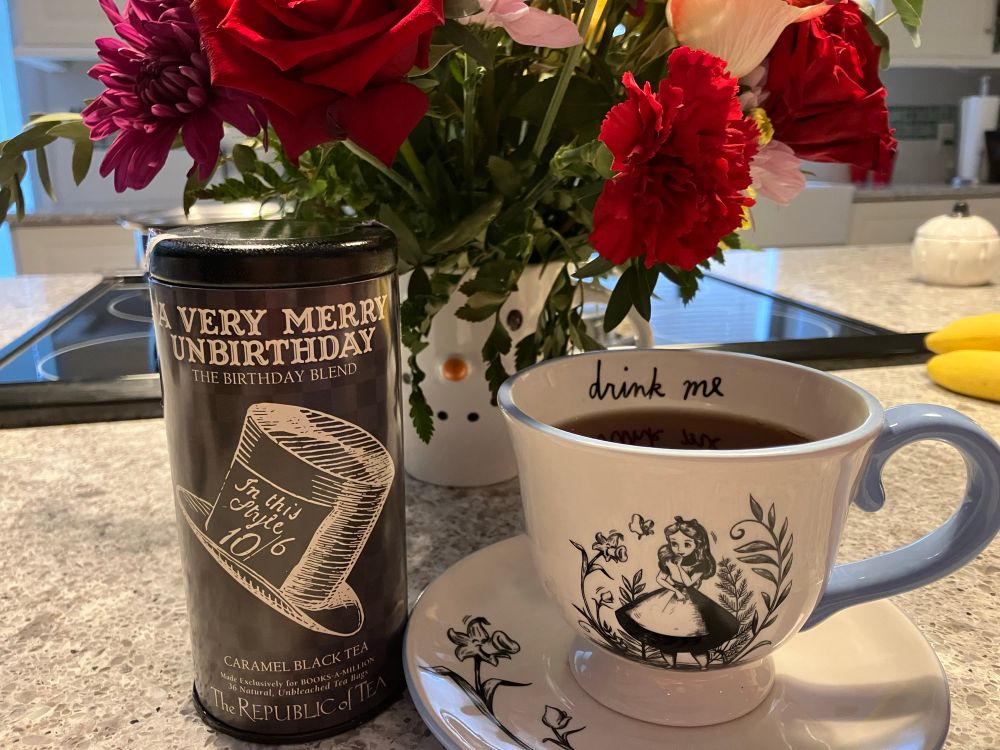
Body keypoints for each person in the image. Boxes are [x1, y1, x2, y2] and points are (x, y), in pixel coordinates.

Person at [616, 516, 738, 669]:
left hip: (691, 600)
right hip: (669, 597)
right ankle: (669, 665)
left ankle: (703, 667)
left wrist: (677, 567)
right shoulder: (669, 560)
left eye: (687, 544)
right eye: (674, 544)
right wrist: (674, 589)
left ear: (697, 545)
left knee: (696, 637)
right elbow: (660, 578)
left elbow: (688, 583)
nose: (679, 549)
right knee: (662, 633)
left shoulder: (700, 565)